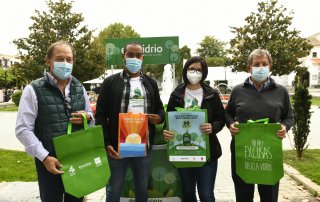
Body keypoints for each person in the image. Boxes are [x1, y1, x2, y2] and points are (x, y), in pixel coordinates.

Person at [15, 40, 93, 202]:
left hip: (77, 160)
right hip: (49, 162)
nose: (65, 63)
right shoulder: (33, 89)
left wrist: (87, 117)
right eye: (59, 59)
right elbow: (23, 129)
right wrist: (44, 157)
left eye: (69, 59)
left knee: (76, 199)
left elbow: (91, 118)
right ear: (48, 61)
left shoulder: (79, 87)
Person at [95, 41, 165, 202]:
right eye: (130, 55)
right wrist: (107, 143)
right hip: (117, 147)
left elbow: (160, 109)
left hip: (143, 145)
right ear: (123, 56)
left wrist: (159, 117)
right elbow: (100, 115)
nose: (134, 58)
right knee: (114, 190)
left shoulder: (150, 83)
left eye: (138, 55)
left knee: (142, 189)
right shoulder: (110, 82)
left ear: (143, 57)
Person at [225, 49, 294, 202]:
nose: (261, 67)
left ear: (270, 66)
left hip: (268, 152)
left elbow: (289, 117)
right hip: (242, 151)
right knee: (243, 195)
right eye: (256, 64)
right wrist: (231, 124)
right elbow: (228, 114)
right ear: (249, 67)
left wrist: (284, 127)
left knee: (269, 196)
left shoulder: (281, 91)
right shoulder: (237, 90)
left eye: (264, 64)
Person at [163, 56, 226, 202]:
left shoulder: (212, 94)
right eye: (192, 69)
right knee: (188, 192)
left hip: (206, 152)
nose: (195, 72)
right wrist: (166, 132)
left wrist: (213, 127)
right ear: (186, 70)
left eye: (199, 70)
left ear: (204, 73)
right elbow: (169, 120)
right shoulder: (176, 94)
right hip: (182, 152)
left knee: (206, 195)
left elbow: (221, 118)